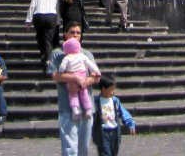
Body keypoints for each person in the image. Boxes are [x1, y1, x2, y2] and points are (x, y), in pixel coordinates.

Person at [49, 19, 100, 156]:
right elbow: (55, 75)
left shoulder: (86, 54)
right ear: (65, 34)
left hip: (87, 106)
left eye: (78, 33)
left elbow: (96, 76)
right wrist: (74, 78)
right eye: (72, 32)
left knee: (84, 148)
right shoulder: (57, 54)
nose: (76, 35)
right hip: (67, 106)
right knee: (70, 149)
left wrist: (84, 82)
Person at [91, 74, 136, 156]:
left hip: (115, 131)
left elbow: (123, 112)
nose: (113, 92)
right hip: (102, 133)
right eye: (111, 89)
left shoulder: (115, 101)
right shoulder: (96, 101)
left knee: (114, 153)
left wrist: (130, 123)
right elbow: (91, 116)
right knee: (105, 153)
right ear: (103, 89)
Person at [59, 36, 100, 120]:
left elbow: (62, 68)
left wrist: (61, 72)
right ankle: (88, 109)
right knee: (84, 93)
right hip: (83, 76)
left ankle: (75, 110)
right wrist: (97, 72)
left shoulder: (67, 58)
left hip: (72, 77)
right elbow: (91, 65)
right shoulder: (82, 56)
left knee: (72, 94)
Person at [26, 0, 59, 68]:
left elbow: (32, 7)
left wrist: (28, 20)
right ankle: (48, 57)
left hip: (38, 16)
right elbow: (57, 7)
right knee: (48, 37)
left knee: (40, 35)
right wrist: (58, 20)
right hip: (51, 16)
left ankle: (43, 53)